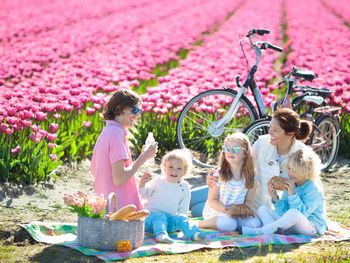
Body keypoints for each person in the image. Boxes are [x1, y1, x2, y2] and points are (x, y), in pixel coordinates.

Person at [190, 108, 313, 216]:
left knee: (197, 210)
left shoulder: (302, 155)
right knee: (189, 196)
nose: (269, 132)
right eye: (270, 127)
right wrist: (214, 175)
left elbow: (309, 190)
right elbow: (238, 160)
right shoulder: (263, 142)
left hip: (251, 205)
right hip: (230, 189)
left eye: (275, 130)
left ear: (290, 134)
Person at [91, 89, 157, 210]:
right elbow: (119, 179)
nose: (137, 115)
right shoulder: (116, 134)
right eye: (135, 110)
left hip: (109, 207)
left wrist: (140, 181)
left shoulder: (108, 131)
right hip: (120, 212)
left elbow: (109, 176)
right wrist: (143, 158)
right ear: (120, 109)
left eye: (139, 111)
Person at [240, 148, 327, 236]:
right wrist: (275, 198)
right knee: (262, 209)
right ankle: (273, 230)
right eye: (289, 168)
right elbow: (284, 212)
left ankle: (261, 231)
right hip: (291, 224)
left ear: (306, 172)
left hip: (310, 227)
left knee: (293, 213)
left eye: (295, 170)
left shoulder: (313, 189)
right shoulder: (291, 183)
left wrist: (292, 194)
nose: (290, 173)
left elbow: (302, 214)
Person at [139, 149, 206, 243]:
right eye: (171, 167)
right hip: (150, 220)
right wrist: (142, 184)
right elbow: (144, 196)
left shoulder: (184, 186)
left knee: (181, 218)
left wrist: (181, 223)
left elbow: (184, 208)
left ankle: (194, 234)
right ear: (164, 168)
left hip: (168, 222)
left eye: (179, 168)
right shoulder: (158, 181)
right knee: (159, 217)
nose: (174, 171)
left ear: (185, 171)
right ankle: (160, 235)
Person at [198, 132, 262, 232]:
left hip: (237, 213)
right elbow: (212, 200)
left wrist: (243, 209)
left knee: (255, 224)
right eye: (227, 149)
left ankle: (236, 225)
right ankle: (201, 224)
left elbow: (249, 201)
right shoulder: (218, 174)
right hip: (218, 211)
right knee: (229, 224)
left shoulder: (251, 176)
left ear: (245, 153)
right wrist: (227, 211)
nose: (230, 153)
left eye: (235, 150)